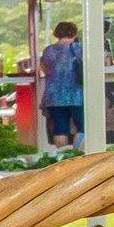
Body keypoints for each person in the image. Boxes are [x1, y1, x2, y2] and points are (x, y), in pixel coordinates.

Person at [42, 20, 85, 150]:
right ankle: (78, 155)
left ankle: (63, 157)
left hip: (53, 95)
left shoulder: (48, 50)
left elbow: (44, 70)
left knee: (60, 129)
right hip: (75, 94)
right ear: (73, 33)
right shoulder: (78, 48)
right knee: (83, 127)